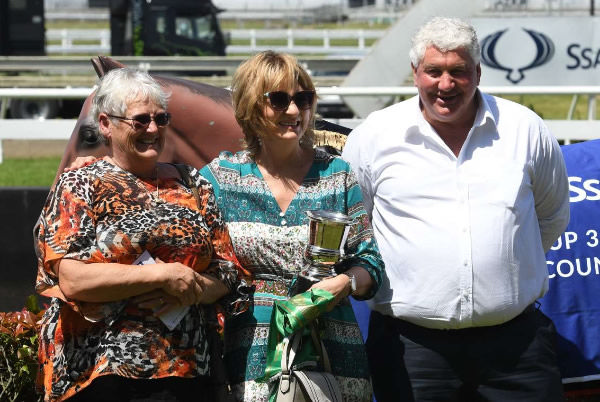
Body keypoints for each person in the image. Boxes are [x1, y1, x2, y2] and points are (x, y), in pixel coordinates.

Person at [342, 17, 570, 402]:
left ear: (478, 72)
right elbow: (354, 228)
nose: (445, 85)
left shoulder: (525, 129)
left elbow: (551, 217)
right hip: (410, 350)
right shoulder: (374, 137)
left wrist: (502, 273)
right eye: (434, 71)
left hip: (517, 349)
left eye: (458, 72)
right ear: (415, 73)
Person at [34, 68, 247, 402]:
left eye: (161, 119)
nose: (153, 129)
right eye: (140, 120)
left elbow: (228, 271)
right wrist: (164, 275)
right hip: (101, 373)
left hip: (189, 371)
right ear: (105, 124)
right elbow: (72, 278)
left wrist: (193, 289)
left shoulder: (194, 183)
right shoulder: (80, 184)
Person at [199, 50, 385, 401]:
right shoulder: (220, 178)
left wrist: (344, 283)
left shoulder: (337, 175)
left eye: (303, 99)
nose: (295, 112)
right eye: (280, 100)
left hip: (331, 353)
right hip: (251, 351)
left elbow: (371, 263)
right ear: (252, 106)